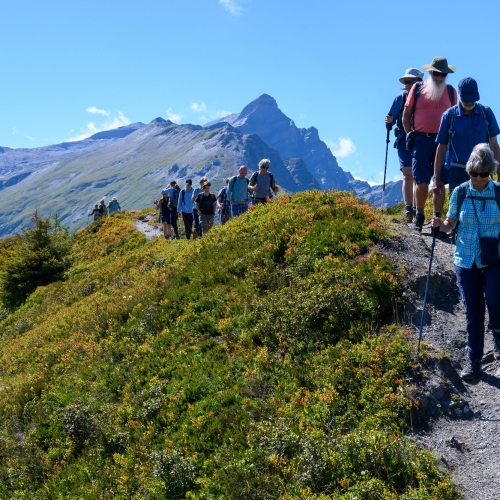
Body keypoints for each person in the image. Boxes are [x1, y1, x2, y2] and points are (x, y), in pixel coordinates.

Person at [431, 144, 500, 380]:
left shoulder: (498, 192)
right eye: (474, 173)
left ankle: (498, 337)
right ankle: (473, 360)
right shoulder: (460, 192)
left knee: (494, 299)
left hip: (494, 258)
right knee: (473, 310)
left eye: (484, 174)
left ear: (490, 172)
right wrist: (441, 225)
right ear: (469, 170)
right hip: (465, 258)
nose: (479, 178)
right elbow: (451, 224)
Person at [403, 56, 457, 231]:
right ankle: (419, 215)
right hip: (421, 139)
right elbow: (406, 114)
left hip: (443, 142)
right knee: (421, 180)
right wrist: (409, 133)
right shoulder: (417, 89)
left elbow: (455, 116)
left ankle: (436, 219)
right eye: (436, 73)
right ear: (430, 72)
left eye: (443, 74)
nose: (439, 76)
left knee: (440, 181)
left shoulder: (451, 92)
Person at [434, 77, 500, 206]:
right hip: (457, 171)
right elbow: (441, 148)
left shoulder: (486, 113)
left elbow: (494, 146)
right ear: (459, 94)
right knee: (457, 210)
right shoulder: (449, 116)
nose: (470, 103)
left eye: (473, 99)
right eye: (466, 99)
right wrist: (437, 179)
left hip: (483, 171)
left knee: (484, 208)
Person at [385, 68, 423, 221]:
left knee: (418, 176)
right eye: (406, 82)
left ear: (419, 82)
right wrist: (388, 122)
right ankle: (409, 207)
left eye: (410, 81)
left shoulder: (426, 101)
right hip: (404, 139)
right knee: (408, 174)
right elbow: (391, 118)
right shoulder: (400, 99)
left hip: (422, 140)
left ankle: (417, 208)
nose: (407, 84)